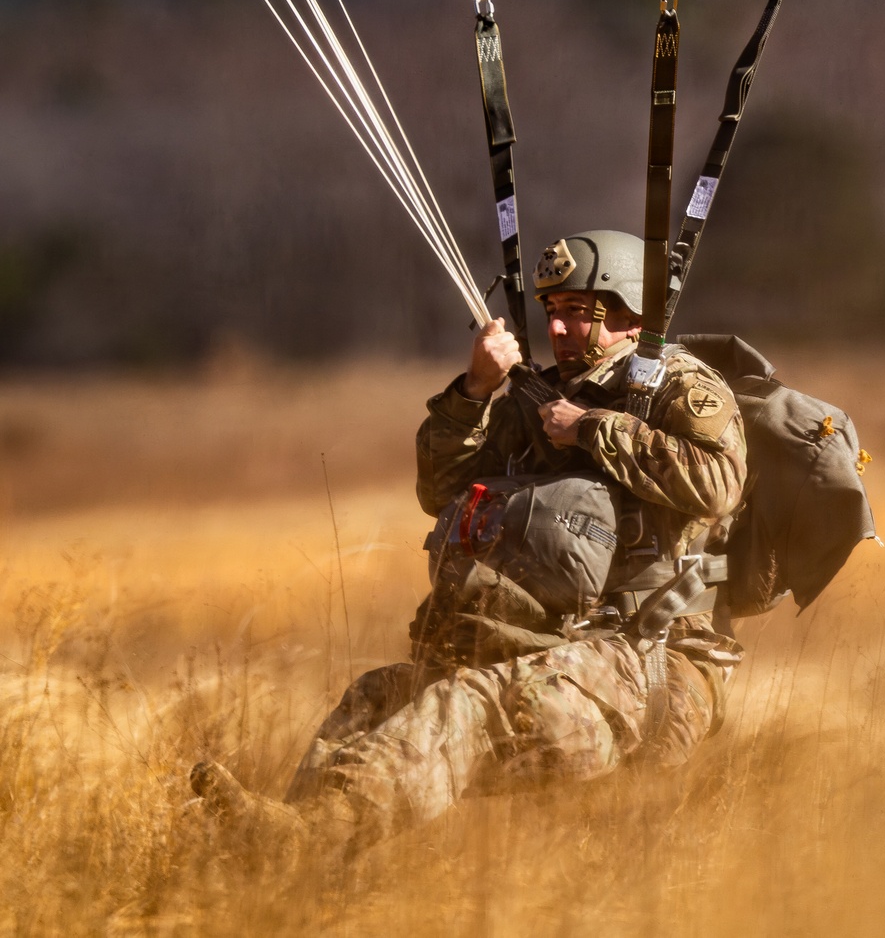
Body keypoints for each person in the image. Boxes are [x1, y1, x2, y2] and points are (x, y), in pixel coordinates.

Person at [191, 231, 747, 859]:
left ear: (627, 315)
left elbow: (720, 484)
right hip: (560, 648)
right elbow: (442, 491)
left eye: (578, 313)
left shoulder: (678, 386)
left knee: (468, 704)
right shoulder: (539, 400)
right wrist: (475, 392)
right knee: (381, 693)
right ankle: (285, 856)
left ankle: (310, 841)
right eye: (552, 312)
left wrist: (593, 430)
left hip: (651, 666)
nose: (559, 330)